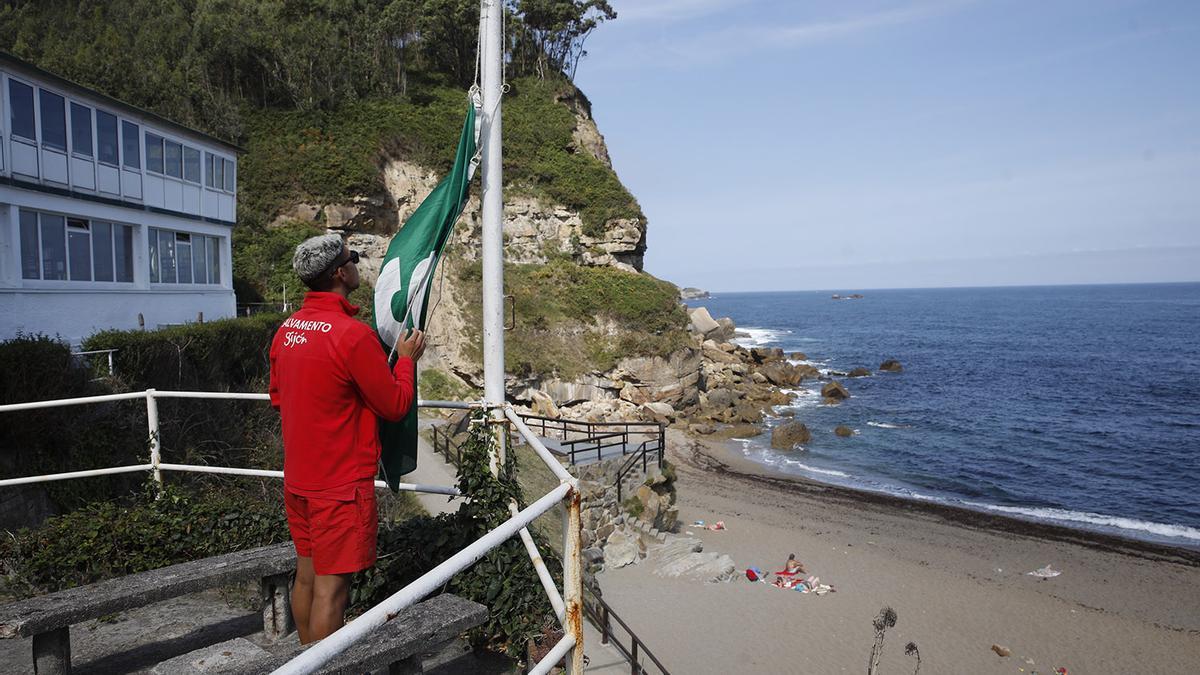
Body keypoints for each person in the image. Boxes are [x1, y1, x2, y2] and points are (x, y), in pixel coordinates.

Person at [269, 234, 425, 644]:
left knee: (306, 575)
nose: (356, 263)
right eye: (352, 258)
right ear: (340, 272)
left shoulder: (287, 330)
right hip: (339, 487)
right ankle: (321, 667)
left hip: (299, 479)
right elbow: (394, 405)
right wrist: (406, 363)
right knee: (332, 589)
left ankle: (302, 660)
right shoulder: (351, 335)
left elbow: (278, 396)